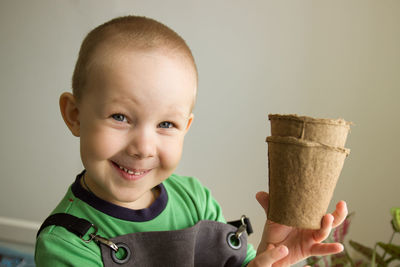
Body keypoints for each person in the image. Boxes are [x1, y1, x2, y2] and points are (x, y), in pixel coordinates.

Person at [35, 15, 347, 267]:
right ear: (75, 115)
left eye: (166, 124)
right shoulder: (65, 245)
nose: (143, 147)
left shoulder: (195, 199)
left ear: (186, 127)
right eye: (120, 117)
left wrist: (274, 250)